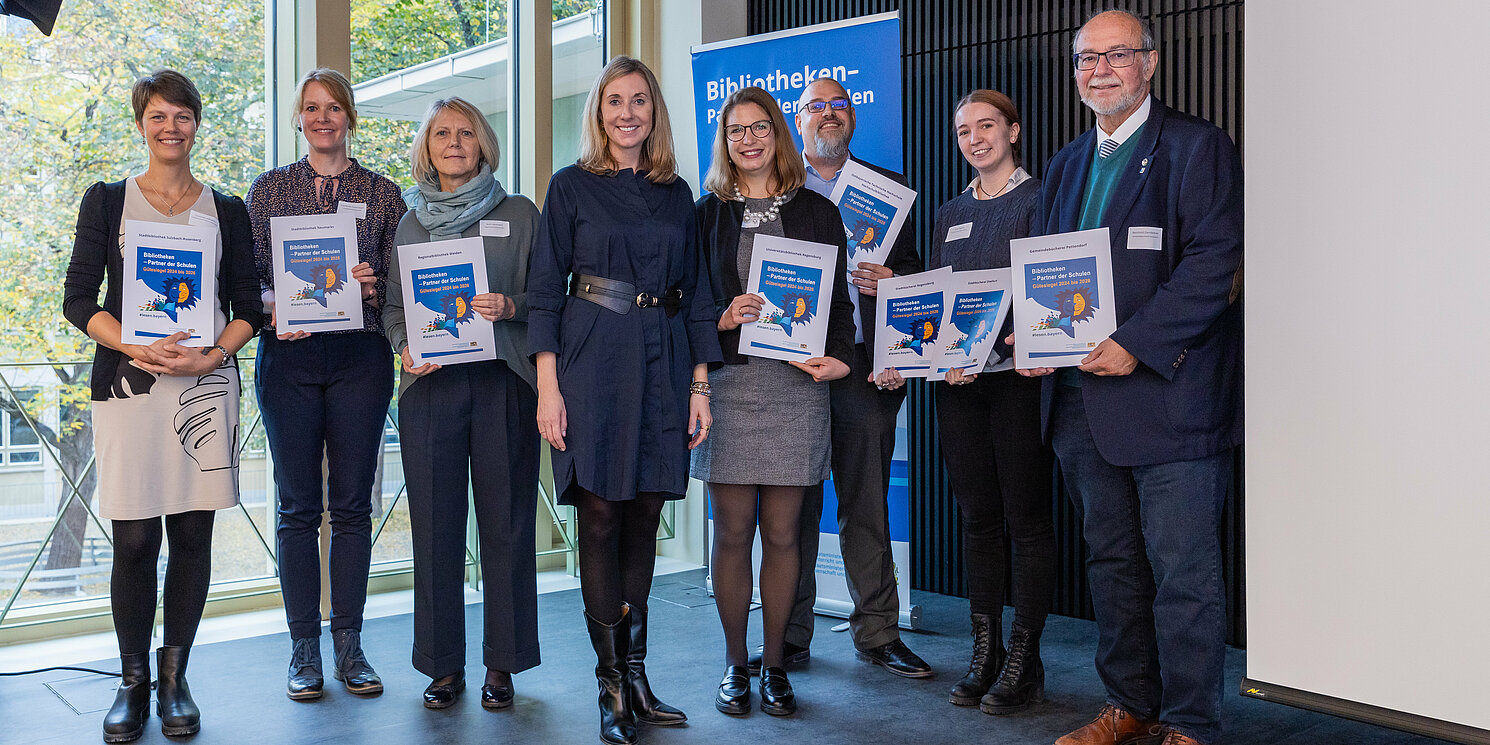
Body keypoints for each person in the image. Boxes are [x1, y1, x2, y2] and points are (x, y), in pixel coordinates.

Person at [1021, 11, 1244, 745]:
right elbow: (1051, 274)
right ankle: (1131, 702)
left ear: (1151, 62)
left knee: (1182, 572)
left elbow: (1215, 265)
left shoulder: (1197, 147)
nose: (1101, 69)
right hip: (1081, 405)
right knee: (1112, 566)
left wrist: (1136, 344)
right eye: (1087, 58)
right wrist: (1034, 337)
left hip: (1169, 399)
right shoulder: (1064, 164)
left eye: (1118, 54)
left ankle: (1188, 721)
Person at [62, 69, 265, 742]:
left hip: (205, 387)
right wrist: (132, 346)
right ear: (141, 123)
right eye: (158, 116)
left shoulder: (226, 210)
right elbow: (76, 299)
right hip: (131, 388)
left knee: (192, 537)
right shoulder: (108, 201)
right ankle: (132, 683)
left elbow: (248, 308)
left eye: (182, 115)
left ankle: (175, 677)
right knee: (135, 539)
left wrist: (211, 355)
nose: (170, 127)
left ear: (196, 124)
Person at [527, 56, 721, 745]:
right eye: (615, 101)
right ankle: (608, 683)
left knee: (644, 515)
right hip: (592, 359)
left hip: (664, 358)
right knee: (602, 516)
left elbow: (700, 294)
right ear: (599, 112)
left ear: (654, 112)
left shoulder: (677, 193)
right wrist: (548, 388)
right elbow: (547, 291)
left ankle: (637, 676)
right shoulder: (570, 186)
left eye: (639, 101)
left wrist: (701, 385)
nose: (628, 113)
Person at [877, 89, 1057, 714]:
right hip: (956, 388)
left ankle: (1024, 658)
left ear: (1014, 130)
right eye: (963, 131)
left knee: (1027, 519)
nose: (975, 139)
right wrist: (911, 353)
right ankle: (984, 653)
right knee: (978, 518)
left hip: (1016, 382)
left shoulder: (1041, 200)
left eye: (987, 126)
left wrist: (1017, 342)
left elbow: (1052, 286)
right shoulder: (948, 212)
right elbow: (938, 302)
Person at [758, 76, 929, 679]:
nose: (829, 115)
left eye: (840, 105)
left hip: (863, 367)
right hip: (791, 372)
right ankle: (788, 636)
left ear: (852, 118)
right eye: (816, 107)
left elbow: (917, 284)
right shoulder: (772, 192)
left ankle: (878, 633)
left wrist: (895, 282)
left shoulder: (892, 192)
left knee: (866, 505)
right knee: (792, 508)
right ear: (796, 120)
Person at [692, 86, 855, 717]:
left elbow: (840, 307)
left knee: (786, 534)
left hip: (795, 389)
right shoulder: (706, 215)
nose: (749, 139)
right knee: (733, 534)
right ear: (725, 142)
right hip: (731, 388)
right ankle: (736, 664)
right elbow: (689, 306)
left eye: (760, 127)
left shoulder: (817, 211)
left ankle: (777, 665)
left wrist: (840, 355)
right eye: (736, 131)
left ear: (778, 134)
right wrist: (723, 317)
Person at [246, 67, 404, 701]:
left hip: (360, 357)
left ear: (350, 117)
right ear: (298, 119)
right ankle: (303, 649)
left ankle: (350, 644)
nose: (322, 118)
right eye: (310, 108)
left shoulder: (385, 194)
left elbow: (406, 290)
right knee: (296, 508)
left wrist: (374, 285)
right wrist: (272, 307)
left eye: (333, 107)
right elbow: (247, 285)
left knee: (353, 508)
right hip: (289, 359)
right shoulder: (267, 191)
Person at [383, 97, 541, 710]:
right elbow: (395, 308)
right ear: (428, 147)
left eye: (465, 133)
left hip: (503, 382)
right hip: (431, 388)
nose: (454, 143)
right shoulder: (409, 222)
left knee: (506, 526)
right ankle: (442, 665)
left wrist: (511, 306)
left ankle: (502, 665)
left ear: (483, 144)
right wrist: (403, 347)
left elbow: (547, 294)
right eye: (442, 134)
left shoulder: (520, 213)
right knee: (436, 530)